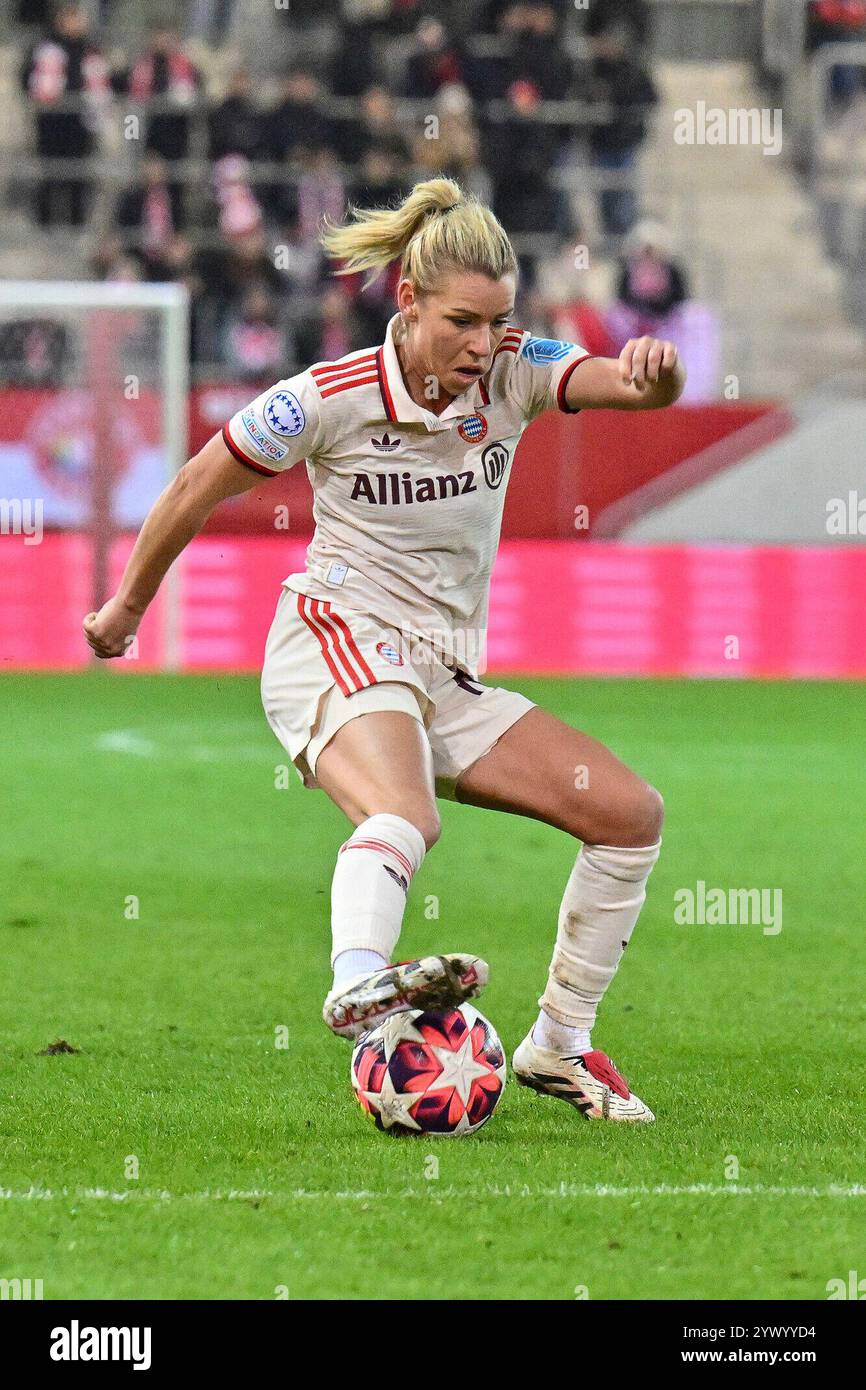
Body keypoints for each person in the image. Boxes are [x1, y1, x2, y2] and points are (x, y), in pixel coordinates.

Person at [83, 177, 684, 1125]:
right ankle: (359, 981)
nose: (481, 345)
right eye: (461, 322)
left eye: (497, 322)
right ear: (406, 299)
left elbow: (621, 385)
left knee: (628, 814)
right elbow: (199, 483)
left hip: (440, 670)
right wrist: (126, 605)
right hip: (335, 635)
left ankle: (558, 1045)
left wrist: (658, 380)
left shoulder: (515, 370)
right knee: (407, 814)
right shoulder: (325, 398)